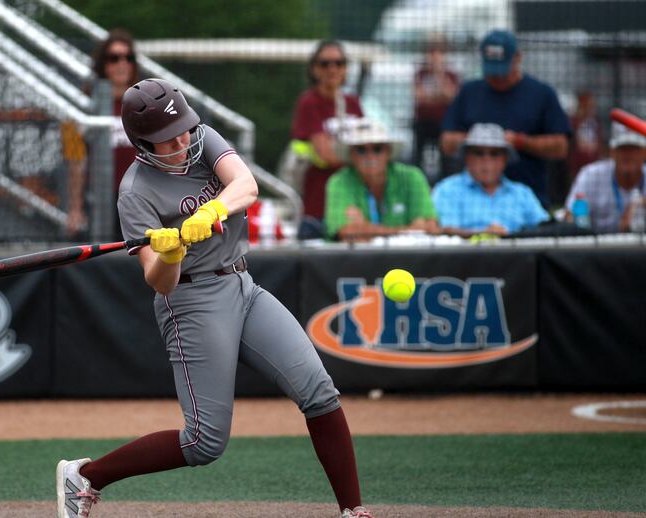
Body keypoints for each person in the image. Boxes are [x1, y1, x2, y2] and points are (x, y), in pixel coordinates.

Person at [55, 78, 374, 518]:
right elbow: (159, 280)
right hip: (191, 301)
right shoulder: (134, 193)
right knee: (204, 441)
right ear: (142, 144)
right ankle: (88, 475)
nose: (182, 141)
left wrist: (210, 211)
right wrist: (170, 251)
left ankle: (352, 511)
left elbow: (246, 185)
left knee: (319, 393)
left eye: (183, 129)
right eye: (168, 139)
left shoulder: (201, 138)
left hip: (242, 285)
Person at [440, 29, 571, 209]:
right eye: (492, 70)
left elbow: (561, 147)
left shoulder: (541, 94)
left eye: (502, 70)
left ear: (517, 58)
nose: (496, 77)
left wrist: (520, 142)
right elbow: (447, 142)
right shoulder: (469, 92)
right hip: (473, 201)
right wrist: (480, 140)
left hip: (528, 199)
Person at [65, 28, 140, 239]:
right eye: (114, 58)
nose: (122, 63)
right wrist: (75, 208)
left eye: (128, 57)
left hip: (141, 195)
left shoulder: (144, 101)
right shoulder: (87, 106)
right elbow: (76, 160)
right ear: (103, 64)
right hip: (102, 198)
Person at [290, 40, 363, 238]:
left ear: (346, 69)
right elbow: (327, 155)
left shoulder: (353, 102)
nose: (332, 69)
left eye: (339, 63)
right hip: (317, 209)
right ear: (314, 69)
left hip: (351, 205)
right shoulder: (309, 102)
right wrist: (361, 156)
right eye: (325, 63)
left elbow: (367, 146)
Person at [324, 118, 438, 242]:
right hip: (358, 260)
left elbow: (429, 226)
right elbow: (346, 232)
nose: (370, 156)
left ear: (388, 151)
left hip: (406, 259)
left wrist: (364, 229)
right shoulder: (339, 181)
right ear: (351, 154)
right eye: (361, 150)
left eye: (377, 148)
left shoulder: (412, 177)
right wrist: (408, 231)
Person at [433, 123, 549, 236]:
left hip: (519, 255)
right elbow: (442, 231)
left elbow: (545, 230)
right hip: (462, 255)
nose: (486, 160)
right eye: (478, 153)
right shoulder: (447, 190)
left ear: (505, 159)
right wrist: (484, 235)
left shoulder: (522, 193)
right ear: (466, 157)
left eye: (494, 153)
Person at [565, 122, 646, 233]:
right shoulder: (590, 174)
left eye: (634, 149)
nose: (628, 155)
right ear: (612, 152)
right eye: (622, 149)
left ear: (644, 152)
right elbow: (570, 216)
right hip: (594, 248)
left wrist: (639, 204)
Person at [412, 34, 460, 183]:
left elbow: (451, 96)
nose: (434, 56)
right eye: (431, 52)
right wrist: (439, 97)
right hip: (423, 122)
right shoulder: (420, 74)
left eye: (439, 52)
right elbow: (419, 97)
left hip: (442, 123)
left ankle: (445, 181)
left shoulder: (451, 75)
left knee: (446, 158)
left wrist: (439, 73)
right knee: (417, 156)